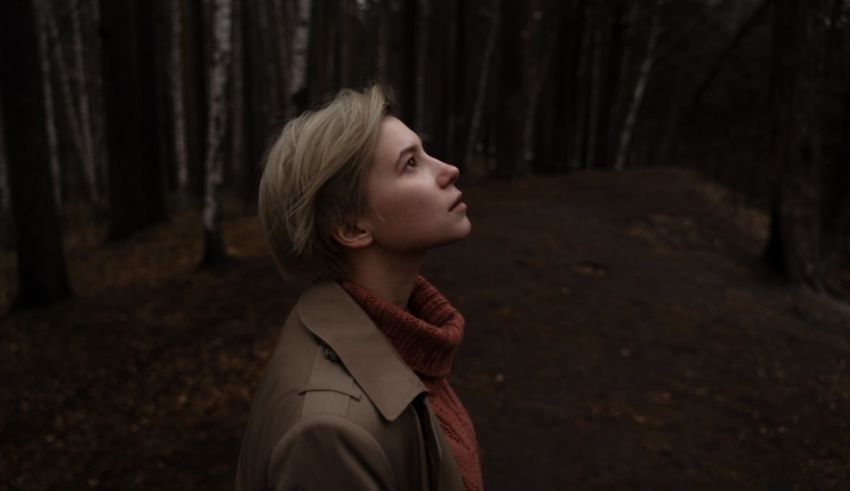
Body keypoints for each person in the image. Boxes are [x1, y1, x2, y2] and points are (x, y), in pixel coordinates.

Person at [235, 85, 483, 491]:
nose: (447, 169)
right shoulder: (331, 434)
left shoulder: (404, 338)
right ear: (353, 227)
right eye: (410, 164)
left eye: (425, 152)